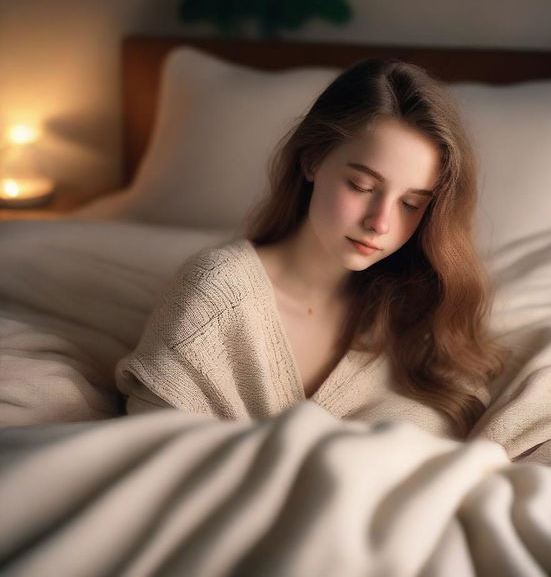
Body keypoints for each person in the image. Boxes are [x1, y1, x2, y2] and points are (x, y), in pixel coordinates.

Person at [115, 58, 509, 440]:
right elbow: (153, 453)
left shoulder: (416, 309)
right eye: (362, 186)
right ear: (313, 160)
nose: (381, 223)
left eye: (411, 204)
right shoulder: (216, 298)